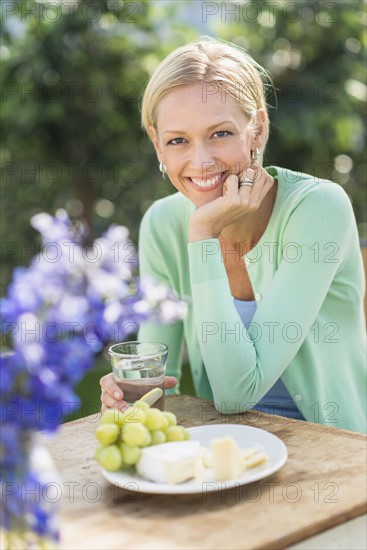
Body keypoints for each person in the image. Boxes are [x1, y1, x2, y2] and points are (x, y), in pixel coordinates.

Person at [100, 37, 366, 432]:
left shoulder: (318, 209)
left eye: (221, 133)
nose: (201, 161)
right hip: (231, 453)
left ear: (256, 131)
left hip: (337, 456)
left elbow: (235, 392)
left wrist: (203, 233)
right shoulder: (161, 223)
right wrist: (129, 396)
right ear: (158, 144)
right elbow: (157, 382)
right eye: (178, 140)